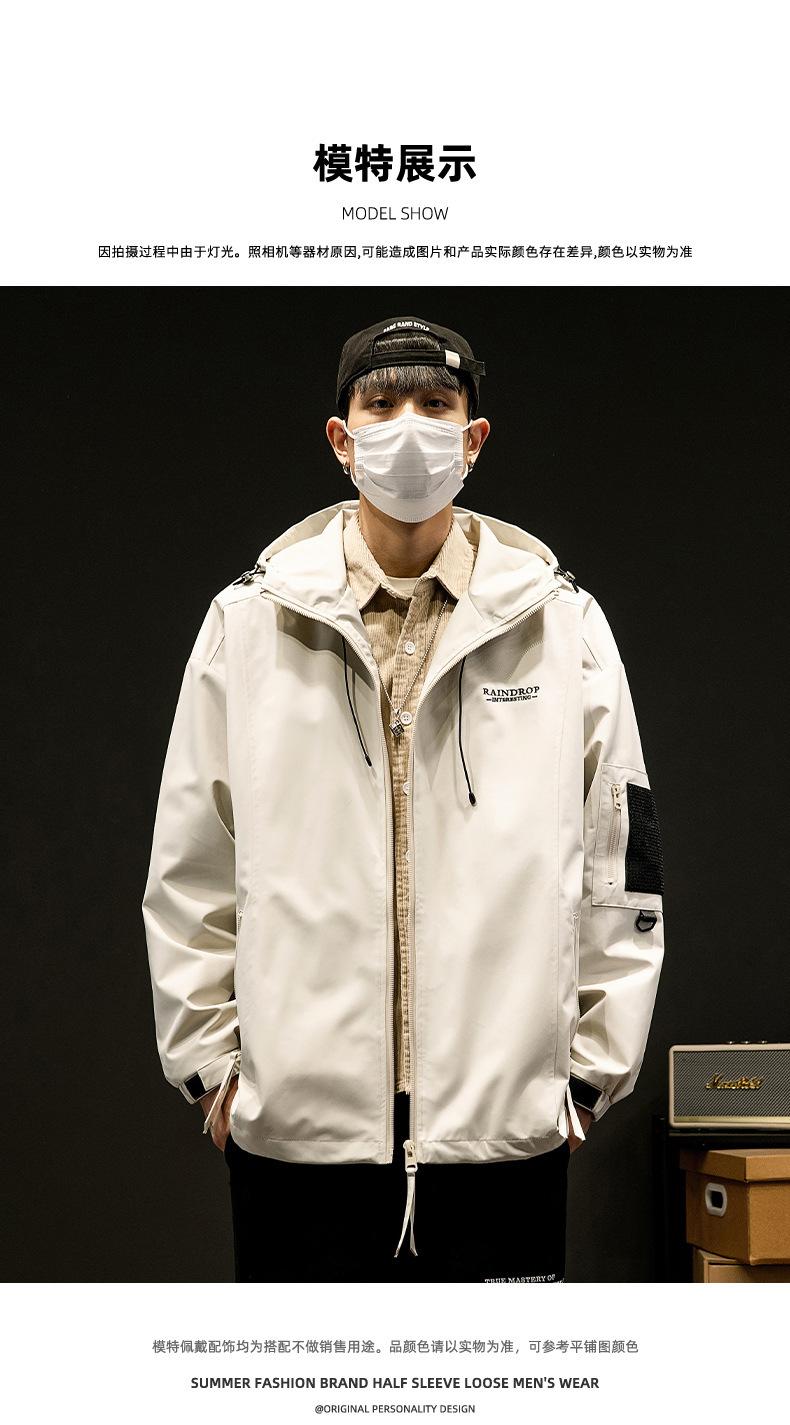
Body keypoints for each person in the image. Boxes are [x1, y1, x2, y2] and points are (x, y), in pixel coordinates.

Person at [142, 314, 665, 1283]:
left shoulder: (562, 627)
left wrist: (591, 1075)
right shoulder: (248, 625)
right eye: (381, 404)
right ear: (341, 439)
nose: (408, 426)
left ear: (475, 437)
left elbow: (619, 860)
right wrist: (213, 1073)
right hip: (299, 1141)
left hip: (502, 1136)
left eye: (435, 402)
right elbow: (191, 866)